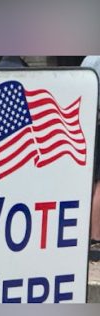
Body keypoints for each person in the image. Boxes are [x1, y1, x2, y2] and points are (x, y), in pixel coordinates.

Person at [81, 56, 100, 244]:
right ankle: (96, 235)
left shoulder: (88, 60)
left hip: (87, 124)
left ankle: (86, 232)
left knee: (90, 182)